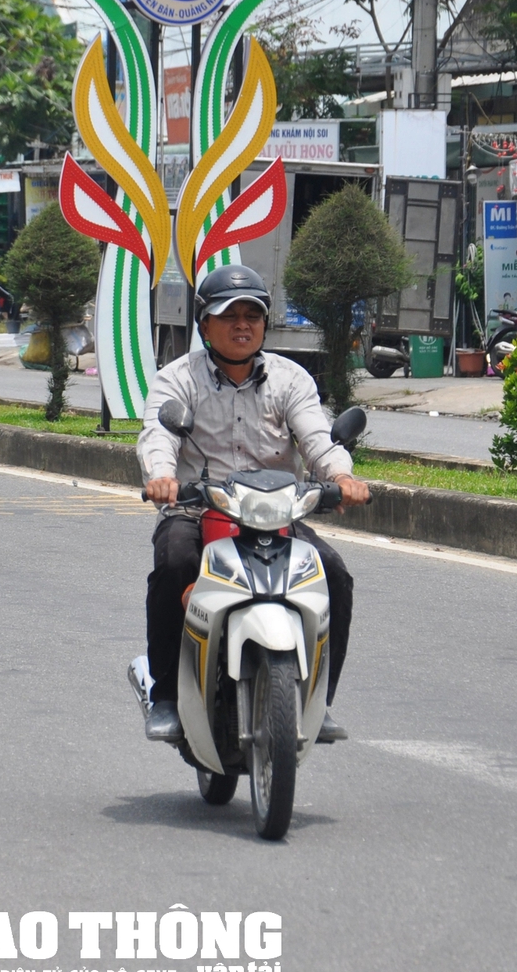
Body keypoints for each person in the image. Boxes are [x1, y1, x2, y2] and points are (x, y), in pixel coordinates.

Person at [137, 264, 370, 743]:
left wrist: (341, 477)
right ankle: (165, 696)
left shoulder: (290, 379)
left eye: (253, 315)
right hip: (197, 508)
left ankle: (317, 702)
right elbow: (158, 434)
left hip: (276, 511)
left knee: (334, 575)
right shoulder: (176, 379)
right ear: (204, 324)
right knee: (175, 561)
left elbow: (318, 438)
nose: (242, 325)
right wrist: (161, 477)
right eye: (229, 315)